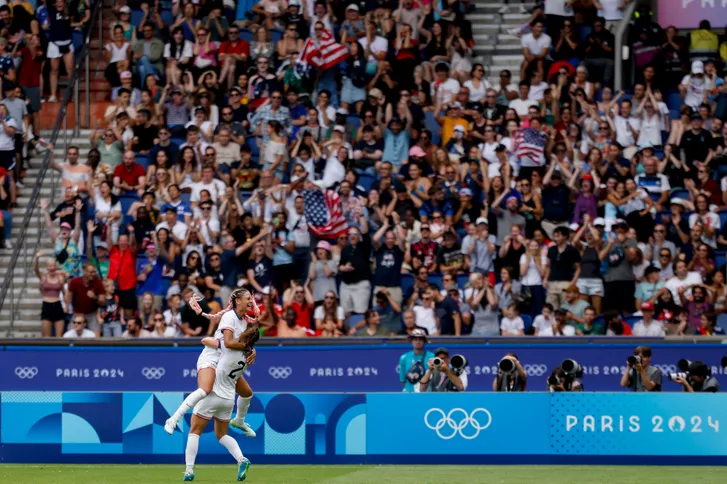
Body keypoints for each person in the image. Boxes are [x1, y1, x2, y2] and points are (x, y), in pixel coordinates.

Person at [165, 289, 260, 437]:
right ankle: (173, 419)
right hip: (212, 358)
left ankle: (239, 421)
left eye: (251, 299)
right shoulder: (229, 316)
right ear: (238, 301)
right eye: (248, 298)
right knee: (204, 390)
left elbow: (241, 342)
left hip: (226, 363)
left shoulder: (243, 321)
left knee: (247, 393)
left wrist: (251, 350)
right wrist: (247, 348)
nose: (251, 302)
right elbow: (228, 343)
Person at [182, 328, 257, 482]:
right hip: (228, 399)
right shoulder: (248, 355)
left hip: (213, 394)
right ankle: (241, 459)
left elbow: (204, 340)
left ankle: (189, 470)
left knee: (194, 431)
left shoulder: (228, 347)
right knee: (221, 435)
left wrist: (222, 340)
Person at [33, 250, 67, 337]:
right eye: (50, 266)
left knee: (59, 336)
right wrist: (37, 257)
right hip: (47, 306)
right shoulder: (43, 277)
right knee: (46, 336)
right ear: (47, 267)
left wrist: (66, 305)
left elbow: (64, 292)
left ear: (56, 267)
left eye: (54, 265)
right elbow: (35, 269)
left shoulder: (60, 278)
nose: (52, 267)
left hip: (57, 305)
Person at [398, 329, 436, 393]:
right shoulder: (404, 358)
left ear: (424, 341)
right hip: (409, 394)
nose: (418, 342)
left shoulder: (432, 356)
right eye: (415, 339)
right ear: (411, 341)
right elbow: (403, 380)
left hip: (427, 394)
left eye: (420, 339)